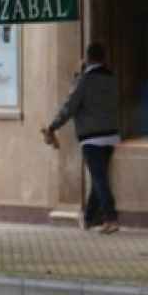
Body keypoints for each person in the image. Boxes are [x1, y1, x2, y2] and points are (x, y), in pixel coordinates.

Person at [42, 42, 121, 234]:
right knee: (98, 177)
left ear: (87, 58)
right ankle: (90, 218)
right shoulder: (112, 78)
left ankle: (110, 218)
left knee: (99, 178)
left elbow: (70, 106)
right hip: (111, 136)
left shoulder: (84, 80)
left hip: (91, 137)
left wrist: (53, 126)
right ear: (104, 58)